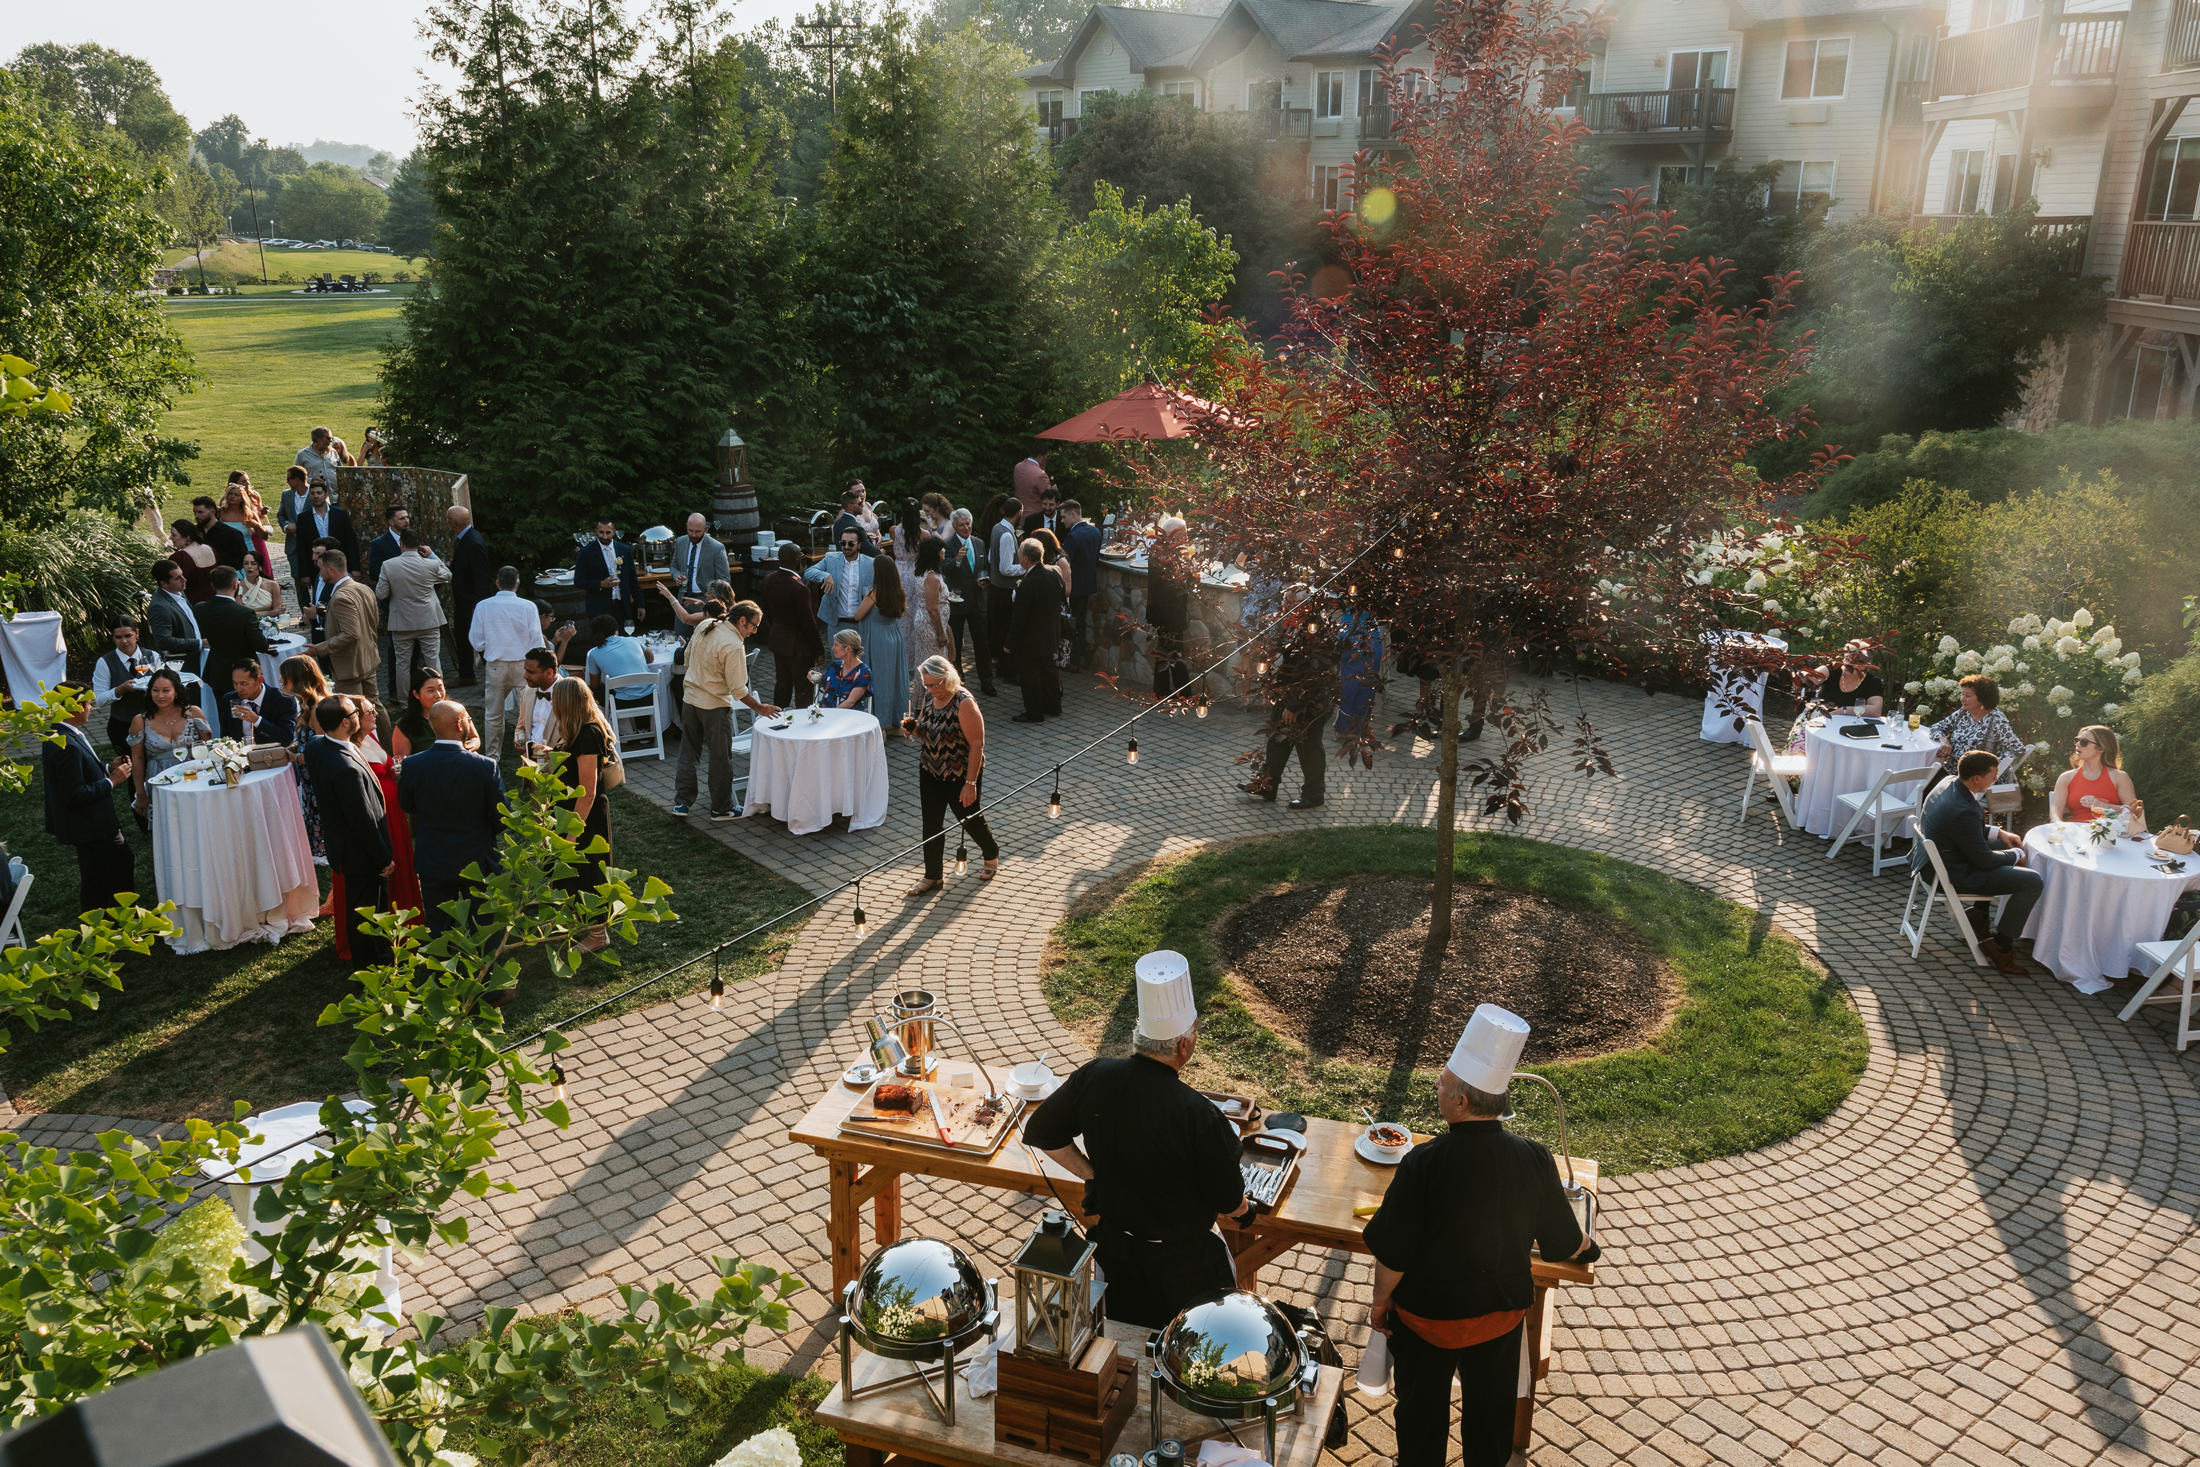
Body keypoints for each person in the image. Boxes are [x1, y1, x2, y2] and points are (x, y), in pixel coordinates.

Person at [1364, 1005, 1597, 1467]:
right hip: (1498, 1320)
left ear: (1462, 1103)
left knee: (1420, 1423)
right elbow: (1563, 1244)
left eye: (1443, 1083)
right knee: (1490, 1429)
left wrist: (1379, 1302)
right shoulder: (1533, 1156)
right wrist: (1589, 1247)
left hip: (1426, 1321)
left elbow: (1394, 1253)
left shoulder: (1423, 1162)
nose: (1438, 1087)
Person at [1024, 950, 1250, 1328]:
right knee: (1188, 1351)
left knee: (1120, 1341)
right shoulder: (1198, 1113)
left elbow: (1042, 1132)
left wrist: (1091, 1173)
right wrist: (1247, 1213)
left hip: (1117, 1256)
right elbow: (1228, 1198)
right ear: (1184, 1046)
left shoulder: (1096, 1075)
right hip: (1185, 1268)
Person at [1912, 749, 2043, 976]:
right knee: (2032, 881)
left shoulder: (1949, 781)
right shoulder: (1961, 810)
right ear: (1976, 778)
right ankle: (2000, 946)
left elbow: (1962, 830)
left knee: (2005, 846)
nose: (1996, 780)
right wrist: (2015, 855)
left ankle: (1979, 917)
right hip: (1948, 873)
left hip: (1938, 859)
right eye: (1993, 776)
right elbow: (1984, 860)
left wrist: (1999, 832)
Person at [398, 699, 504, 938]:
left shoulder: (413, 765)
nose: (469, 722)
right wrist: (483, 832)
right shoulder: (486, 767)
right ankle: (485, 974)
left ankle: (441, 972)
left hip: (433, 858)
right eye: (467, 718)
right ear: (459, 725)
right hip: (478, 859)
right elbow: (502, 815)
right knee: (484, 926)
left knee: (439, 927)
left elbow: (406, 804)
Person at [305, 697, 394, 968]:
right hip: (360, 852)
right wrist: (383, 858)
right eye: (357, 712)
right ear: (346, 722)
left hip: (342, 845)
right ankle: (374, 967)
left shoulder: (316, 746)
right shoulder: (347, 770)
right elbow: (362, 821)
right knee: (369, 913)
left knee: (360, 909)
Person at [672, 600, 776, 819]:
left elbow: (687, 657)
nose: (755, 631)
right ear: (741, 620)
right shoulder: (733, 645)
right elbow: (738, 689)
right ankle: (721, 808)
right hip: (714, 707)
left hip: (690, 700)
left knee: (688, 753)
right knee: (720, 758)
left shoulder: (704, 625)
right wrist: (759, 707)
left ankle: (681, 804)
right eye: (753, 626)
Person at [907, 655, 999, 894]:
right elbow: (924, 732)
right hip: (930, 770)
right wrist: (912, 728)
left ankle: (991, 853)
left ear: (947, 678)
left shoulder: (963, 702)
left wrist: (970, 783)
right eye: (926, 684)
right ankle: (933, 876)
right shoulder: (930, 697)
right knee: (931, 824)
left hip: (960, 773)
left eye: (935, 684)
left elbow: (977, 744)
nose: (930, 689)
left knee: (969, 818)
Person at [45, 683, 138, 916]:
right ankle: (94, 932)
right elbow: (74, 794)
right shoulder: (67, 745)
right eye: (88, 703)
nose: (91, 707)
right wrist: (112, 781)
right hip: (89, 826)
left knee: (122, 862)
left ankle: (120, 917)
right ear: (74, 707)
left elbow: (77, 774)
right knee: (96, 880)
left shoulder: (61, 734)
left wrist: (107, 768)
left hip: (99, 823)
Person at [340, 693, 421, 951]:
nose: (375, 714)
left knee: (400, 857)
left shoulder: (371, 735)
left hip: (392, 809)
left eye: (374, 709)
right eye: (368, 712)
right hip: (376, 812)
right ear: (353, 719)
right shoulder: (350, 748)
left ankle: (407, 922)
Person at [548, 677, 618, 952]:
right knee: (572, 873)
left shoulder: (588, 734)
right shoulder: (579, 729)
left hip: (584, 816)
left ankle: (598, 935)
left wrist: (571, 834)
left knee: (590, 873)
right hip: (573, 812)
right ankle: (571, 919)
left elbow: (587, 791)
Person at [1249, 599, 1339, 809]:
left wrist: (1295, 705)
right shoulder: (1292, 629)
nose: (1285, 607)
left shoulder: (1317, 634)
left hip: (1310, 702)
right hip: (1288, 698)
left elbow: (1314, 674)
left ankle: (1314, 794)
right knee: (1276, 742)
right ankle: (1266, 786)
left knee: (1308, 748)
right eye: (1286, 602)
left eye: (1291, 603)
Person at [470, 567, 541, 758]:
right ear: (517, 584)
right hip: (524, 666)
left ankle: (493, 756)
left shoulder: (483, 606)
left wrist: (490, 647)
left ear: (497, 583)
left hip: (496, 665)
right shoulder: (528, 607)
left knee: (493, 714)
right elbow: (536, 640)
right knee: (529, 712)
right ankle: (532, 753)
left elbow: (476, 640)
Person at [127, 670, 216, 821]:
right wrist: (140, 794)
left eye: (166, 690)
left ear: (176, 691)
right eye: (155, 690)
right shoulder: (140, 721)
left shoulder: (194, 713)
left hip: (193, 776)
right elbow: (138, 759)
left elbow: (208, 748)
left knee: (198, 820)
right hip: (160, 780)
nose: (160, 695)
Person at [1925, 674, 2026, 799]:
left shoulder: (1996, 720)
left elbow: (2018, 748)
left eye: (1968, 696)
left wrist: (1989, 769)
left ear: (1983, 698)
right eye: (1962, 694)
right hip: (1952, 771)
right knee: (1923, 783)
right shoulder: (1964, 712)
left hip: (1975, 779)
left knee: (1930, 791)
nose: (1962, 699)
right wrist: (1944, 739)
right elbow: (1936, 727)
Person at [376, 527, 451, 692]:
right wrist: (432, 555)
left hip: (401, 621)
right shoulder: (430, 564)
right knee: (433, 661)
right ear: (420, 545)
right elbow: (447, 575)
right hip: (428, 619)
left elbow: (381, 594)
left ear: (401, 544)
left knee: (402, 664)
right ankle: (438, 699)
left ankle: (405, 703)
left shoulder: (388, 565)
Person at [280, 655, 331, 870]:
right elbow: (305, 740)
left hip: (319, 776)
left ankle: (323, 851)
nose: (281, 684)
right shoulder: (306, 705)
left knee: (320, 809)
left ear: (298, 679)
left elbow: (323, 751)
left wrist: (293, 757)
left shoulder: (318, 709)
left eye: (285, 679)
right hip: (308, 777)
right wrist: (292, 747)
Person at [758, 541, 823, 709]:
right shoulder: (799, 587)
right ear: (797, 561)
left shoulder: (768, 579)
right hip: (799, 647)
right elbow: (808, 622)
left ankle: (778, 718)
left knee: (782, 684)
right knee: (803, 687)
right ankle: (803, 727)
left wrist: (778, 628)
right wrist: (819, 650)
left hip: (778, 641)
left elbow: (766, 610)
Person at [310, 552, 382, 697]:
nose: (320, 573)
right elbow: (372, 623)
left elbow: (351, 633)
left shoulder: (340, 597)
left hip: (350, 666)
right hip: (369, 659)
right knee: (374, 707)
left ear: (330, 569)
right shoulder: (364, 588)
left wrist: (319, 649)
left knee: (352, 710)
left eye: (321, 569)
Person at [1008, 538, 1063, 723]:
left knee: (1029, 676)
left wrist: (1009, 642)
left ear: (1025, 558)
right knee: (1049, 671)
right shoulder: (1055, 572)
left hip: (1030, 640)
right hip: (1050, 633)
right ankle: (1053, 706)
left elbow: (1019, 618)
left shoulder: (1027, 583)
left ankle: (1034, 712)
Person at [2050, 725, 2147, 829]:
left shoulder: (2119, 777)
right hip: (2077, 834)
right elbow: (2056, 810)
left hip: (2111, 835)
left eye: (2084, 742)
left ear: (2101, 748)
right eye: (2077, 740)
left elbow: (2134, 811)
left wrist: (2105, 806)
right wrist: (2059, 826)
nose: (2077, 744)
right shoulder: (2066, 777)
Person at [943, 507, 995, 695]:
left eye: (968, 524)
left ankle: (987, 682)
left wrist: (985, 580)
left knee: (982, 642)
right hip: (958, 600)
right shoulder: (948, 544)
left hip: (978, 600)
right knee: (955, 643)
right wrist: (957, 560)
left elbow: (985, 567)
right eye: (961, 525)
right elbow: (945, 569)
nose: (966, 528)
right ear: (954, 527)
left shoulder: (979, 543)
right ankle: (958, 682)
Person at [196, 566, 276, 685]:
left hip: (217, 671)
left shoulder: (200, 608)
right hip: (245, 674)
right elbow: (261, 646)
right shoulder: (245, 613)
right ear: (235, 585)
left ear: (212, 586)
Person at [445, 505, 496, 686]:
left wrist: (478, 605)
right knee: (462, 636)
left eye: (449, 519)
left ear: (455, 522)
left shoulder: (473, 542)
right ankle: (466, 674)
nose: (447, 523)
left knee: (481, 641)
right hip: (463, 600)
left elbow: (482, 576)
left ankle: (494, 679)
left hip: (472, 602)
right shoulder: (464, 539)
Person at [91, 618, 157, 757]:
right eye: (118, 637)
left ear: (136, 633)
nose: (124, 641)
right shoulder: (105, 662)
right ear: (112, 638)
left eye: (128, 636)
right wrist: (120, 689)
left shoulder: (152, 656)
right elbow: (99, 700)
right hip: (122, 726)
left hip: (155, 722)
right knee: (133, 769)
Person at [365, 504, 411, 699]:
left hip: (413, 600)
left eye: (407, 517)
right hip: (393, 601)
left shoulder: (413, 538)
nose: (406, 521)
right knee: (396, 646)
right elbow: (374, 571)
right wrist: (395, 573)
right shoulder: (380, 544)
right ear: (391, 522)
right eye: (402, 518)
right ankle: (394, 689)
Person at [1147, 517, 1194, 699]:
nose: (1186, 538)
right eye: (1184, 535)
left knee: (1163, 652)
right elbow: (1180, 585)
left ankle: (1161, 690)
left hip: (1159, 611)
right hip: (1170, 612)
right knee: (1175, 653)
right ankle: (1183, 692)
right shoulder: (1172, 556)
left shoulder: (1157, 551)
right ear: (1176, 535)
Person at [867, 546, 912, 734]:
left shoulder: (874, 593)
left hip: (878, 637)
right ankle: (897, 722)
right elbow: (900, 614)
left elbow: (857, 614)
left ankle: (882, 723)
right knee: (896, 678)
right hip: (895, 635)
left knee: (880, 679)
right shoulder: (898, 591)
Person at [807, 528, 876, 645]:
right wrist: (825, 576)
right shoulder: (831, 559)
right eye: (843, 543)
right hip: (836, 624)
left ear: (859, 545)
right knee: (838, 662)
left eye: (851, 543)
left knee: (860, 662)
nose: (846, 546)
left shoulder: (871, 563)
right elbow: (809, 572)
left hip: (862, 624)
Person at [294, 480, 360, 593]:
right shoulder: (303, 518)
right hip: (316, 567)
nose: (316, 496)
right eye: (313, 493)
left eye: (319, 493)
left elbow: (350, 542)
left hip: (339, 565)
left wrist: (355, 568)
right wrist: (304, 574)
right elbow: (301, 547)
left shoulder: (340, 514)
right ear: (309, 495)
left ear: (326, 494)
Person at [1059, 500, 1102, 671]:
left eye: (1063, 517)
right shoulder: (1095, 532)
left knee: (1071, 622)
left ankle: (1075, 659)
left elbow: (1065, 563)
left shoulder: (1072, 536)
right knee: (1080, 620)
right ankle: (1081, 652)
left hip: (1073, 584)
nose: (1062, 521)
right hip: (1088, 583)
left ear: (1073, 514)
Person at [145, 561, 208, 676]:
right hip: (182, 668)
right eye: (178, 578)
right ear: (164, 584)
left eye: (182, 574)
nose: (184, 579)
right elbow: (164, 641)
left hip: (198, 661)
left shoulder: (178, 593)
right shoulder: (159, 607)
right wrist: (199, 643)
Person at [583, 614, 656, 713]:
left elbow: (595, 685)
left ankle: (610, 723)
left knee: (592, 691)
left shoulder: (594, 653)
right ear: (615, 629)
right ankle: (643, 727)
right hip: (650, 697)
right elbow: (651, 659)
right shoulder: (633, 640)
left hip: (623, 703)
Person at [391, 664, 466, 758]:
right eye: (431, 691)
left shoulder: (456, 712)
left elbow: (474, 738)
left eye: (440, 688)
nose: (438, 695)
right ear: (416, 694)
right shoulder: (405, 725)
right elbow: (402, 762)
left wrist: (467, 747)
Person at [987, 498, 1025, 683]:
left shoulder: (996, 529)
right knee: (1006, 631)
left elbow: (990, 557)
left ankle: (1001, 665)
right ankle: (1007, 670)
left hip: (996, 587)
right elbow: (1006, 568)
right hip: (1004, 590)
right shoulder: (1007, 536)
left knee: (998, 629)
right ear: (1019, 512)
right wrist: (1026, 568)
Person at [219, 659, 297, 748]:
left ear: (260, 680)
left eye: (244, 684)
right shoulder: (229, 699)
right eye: (235, 683)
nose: (239, 689)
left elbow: (286, 738)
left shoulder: (283, 700)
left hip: (272, 756)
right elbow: (226, 737)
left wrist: (257, 720)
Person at [668, 513, 730, 626]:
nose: (694, 535)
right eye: (690, 531)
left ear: (705, 529)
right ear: (686, 526)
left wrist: (711, 602)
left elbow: (724, 580)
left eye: (698, 532)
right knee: (679, 637)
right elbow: (674, 566)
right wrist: (676, 575)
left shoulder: (716, 548)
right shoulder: (680, 542)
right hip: (684, 598)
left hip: (705, 600)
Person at [577, 519, 638, 632]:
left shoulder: (624, 550)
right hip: (599, 608)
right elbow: (578, 580)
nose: (604, 536)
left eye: (608, 533)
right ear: (596, 531)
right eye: (601, 532)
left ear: (614, 532)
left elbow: (632, 578)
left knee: (624, 642)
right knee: (602, 643)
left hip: (622, 606)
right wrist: (601, 584)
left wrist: (640, 604)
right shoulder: (586, 552)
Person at [910, 537, 954, 684]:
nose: (944, 551)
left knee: (925, 661)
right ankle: (931, 700)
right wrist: (941, 633)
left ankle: (922, 700)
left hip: (925, 622)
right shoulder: (932, 577)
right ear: (935, 553)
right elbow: (932, 608)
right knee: (935, 665)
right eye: (942, 549)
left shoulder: (926, 572)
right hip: (930, 626)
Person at [1803, 640, 1887, 716]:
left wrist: (1843, 710)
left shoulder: (1872, 682)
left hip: (1851, 725)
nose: (1847, 664)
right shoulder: (1833, 669)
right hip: (1818, 718)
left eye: (1853, 662)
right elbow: (1810, 678)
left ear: (1864, 665)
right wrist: (1804, 672)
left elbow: (1876, 711)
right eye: (1846, 659)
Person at [220, 477, 275, 579]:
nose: (232, 497)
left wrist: (256, 525)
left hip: (248, 552)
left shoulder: (249, 514)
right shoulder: (221, 512)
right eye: (230, 494)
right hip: (228, 553)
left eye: (236, 495)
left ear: (242, 498)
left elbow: (264, 536)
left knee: (251, 581)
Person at [512, 648, 562, 758]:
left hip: (557, 767)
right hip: (530, 764)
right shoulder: (527, 691)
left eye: (531, 672)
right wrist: (519, 739)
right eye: (525, 670)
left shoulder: (570, 695)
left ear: (549, 673)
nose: (525, 676)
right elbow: (521, 726)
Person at [192, 495, 250, 571]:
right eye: (194, 512)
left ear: (213, 512)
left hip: (221, 578)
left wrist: (219, 568)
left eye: (200, 512)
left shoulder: (231, 533)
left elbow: (241, 560)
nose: (196, 515)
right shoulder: (194, 531)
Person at [168, 520, 219, 605]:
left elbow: (172, 585)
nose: (170, 538)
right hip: (214, 598)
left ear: (187, 537)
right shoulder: (211, 549)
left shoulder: (180, 557)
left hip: (192, 602)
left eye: (174, 535)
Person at [822, 629, 873, 710]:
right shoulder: (834, 666)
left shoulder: (863, 672)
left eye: (836, 645)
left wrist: (831, 714)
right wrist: (815, 677)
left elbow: (850, 702)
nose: (832, 648)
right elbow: (823, 681)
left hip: (848, 717)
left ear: (848, 648)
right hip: (825, 715)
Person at [294, 425, 345, 496]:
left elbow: (341, 472)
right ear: (318, 439)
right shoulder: (302, 454)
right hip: (315, 498)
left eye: (331, 438)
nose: (331, 441)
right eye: (328, 438)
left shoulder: (333, 452)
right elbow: (296, 476)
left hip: (335, 497)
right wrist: (311, 480)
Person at [833, 484, 879, 555]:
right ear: (850, 506)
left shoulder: (837, 523)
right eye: (860, 503)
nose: (862, 505)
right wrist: (881, 553)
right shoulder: (857, 527)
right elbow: (869, 550)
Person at [1013, 448, 1051, 520]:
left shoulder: (1018, 467)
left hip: (1018, 514)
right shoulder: (1040, 474)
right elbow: (1049, 496)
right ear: (1040, 456)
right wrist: (1053, 488)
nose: (1047, 459)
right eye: (1047, 457)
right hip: (1034, 517)